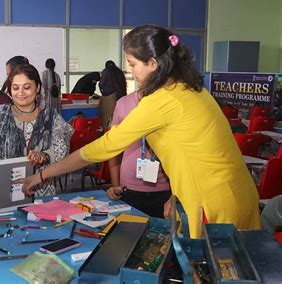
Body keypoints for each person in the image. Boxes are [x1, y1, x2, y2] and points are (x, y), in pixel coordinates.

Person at [21, 25, 261, 238]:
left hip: (213, 205)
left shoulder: (161, 101)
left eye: (133, 64)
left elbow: (101, 148)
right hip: (237, 192)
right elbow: (198, 152)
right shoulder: (192, 90)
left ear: (153, 64)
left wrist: (42, 175)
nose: (131, 71)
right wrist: (177, 194)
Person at [0, 64, 73, 196]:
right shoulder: (0, 114)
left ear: (38, 87)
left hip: (42, 190)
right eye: (15, 88)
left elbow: (62, 149)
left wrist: (45, 155)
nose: (21, 93)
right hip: (6, 190)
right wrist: (8, 170)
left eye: (27, 87)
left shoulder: (51, 117)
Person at [106, 91, 171, 218]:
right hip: (128, 188)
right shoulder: (123, 104)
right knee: (128, 234)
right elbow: (113, 149)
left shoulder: (170, 103)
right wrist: (115, 185)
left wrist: (176, 195)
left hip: (165, 189)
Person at [99, 60, 127, 128]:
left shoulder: (106, 71)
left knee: (108, 116)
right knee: (120, 116)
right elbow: (124, 84)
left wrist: (102, 92)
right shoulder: (119, 71)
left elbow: (102, 83)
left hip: (110, 96)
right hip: (121, 96)